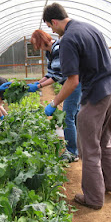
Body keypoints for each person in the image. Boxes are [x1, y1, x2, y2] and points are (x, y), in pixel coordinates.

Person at [42, 3, 111, 210]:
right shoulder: (91, 28)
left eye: (51, 27)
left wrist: (54, 103)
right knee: (105, 139)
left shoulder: (68, 39)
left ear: (54, 21)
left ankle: (94, 198)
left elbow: (72, 81)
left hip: (97, 95)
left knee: (89, 147)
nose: (53, 31)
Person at [27, 29, 82, 162]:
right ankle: (79, 147)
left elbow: (57, 76)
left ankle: (72, 152)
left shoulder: (58, 48)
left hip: (74, 84)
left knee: (68, 116)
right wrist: (37, 82)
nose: (36, 47)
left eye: (36, 44)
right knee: (75, 116)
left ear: (41, 40)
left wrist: (39, 86)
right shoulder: (49, 52)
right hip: (69, 83)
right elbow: (50, 72)